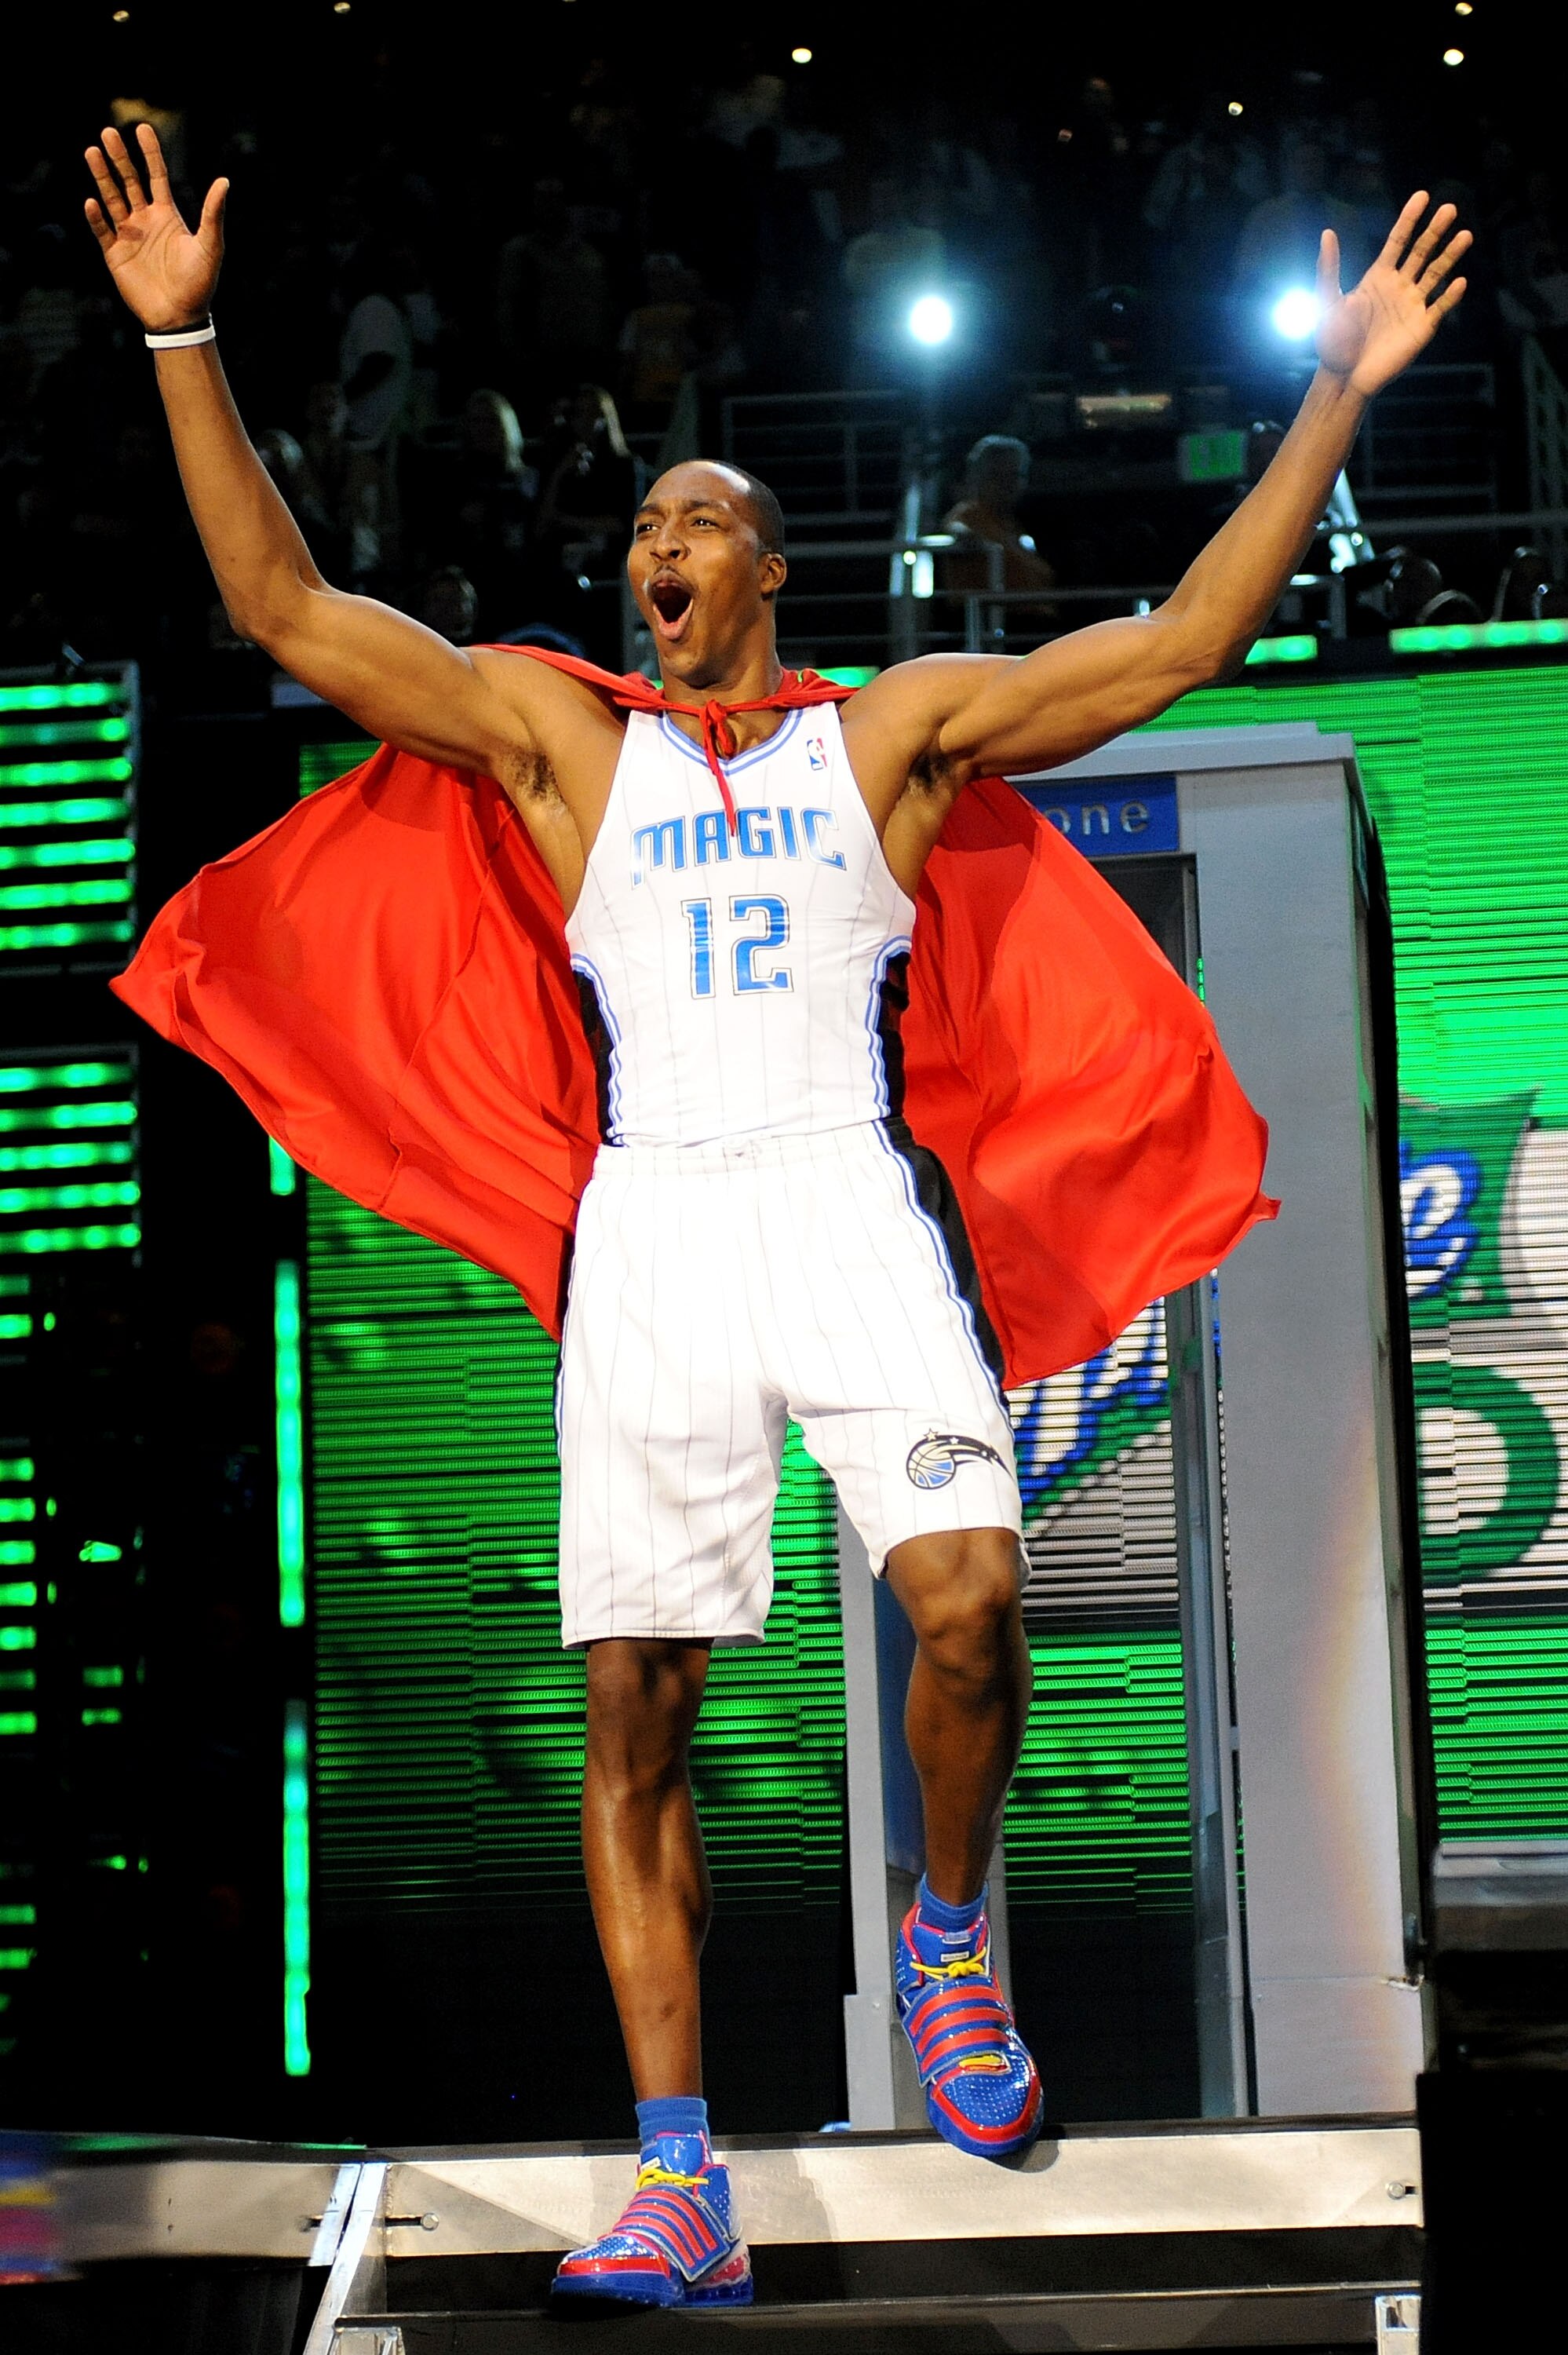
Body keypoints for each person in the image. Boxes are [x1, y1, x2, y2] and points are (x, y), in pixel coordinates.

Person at [84, 123, 1468, 2311]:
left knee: (976, 1604)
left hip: (842, 1200)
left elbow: (1189, 635)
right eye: (642, 522)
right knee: (635, 1708)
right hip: (652, 1233)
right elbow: (281, 606)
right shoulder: (557, 745)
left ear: (765, 569)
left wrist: (1338, 391)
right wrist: (179, 328)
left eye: (698, 521)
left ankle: (947, 1939)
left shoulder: (890, 739)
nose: (658, 544)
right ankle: (676, 2177)